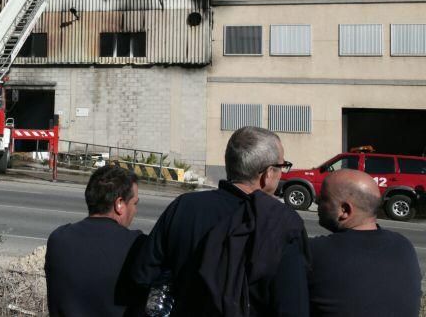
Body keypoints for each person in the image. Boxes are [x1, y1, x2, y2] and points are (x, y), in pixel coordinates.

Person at [132, 126, 309, 317]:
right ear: (267, 174)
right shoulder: (281, 224)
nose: (282, 173)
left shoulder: (184, 206)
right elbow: (294, 306)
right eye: (282, 166)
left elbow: (143, 274)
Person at [308, 169, 422, 317]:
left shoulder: (315, 252)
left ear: (345, 210)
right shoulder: (404, 246)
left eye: (323, 198)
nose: (316, 201)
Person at [44, 165, 148, 316]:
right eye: (134, 203)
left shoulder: (58, 239)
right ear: (119, 204)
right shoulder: (137, 246)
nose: (135, 211)